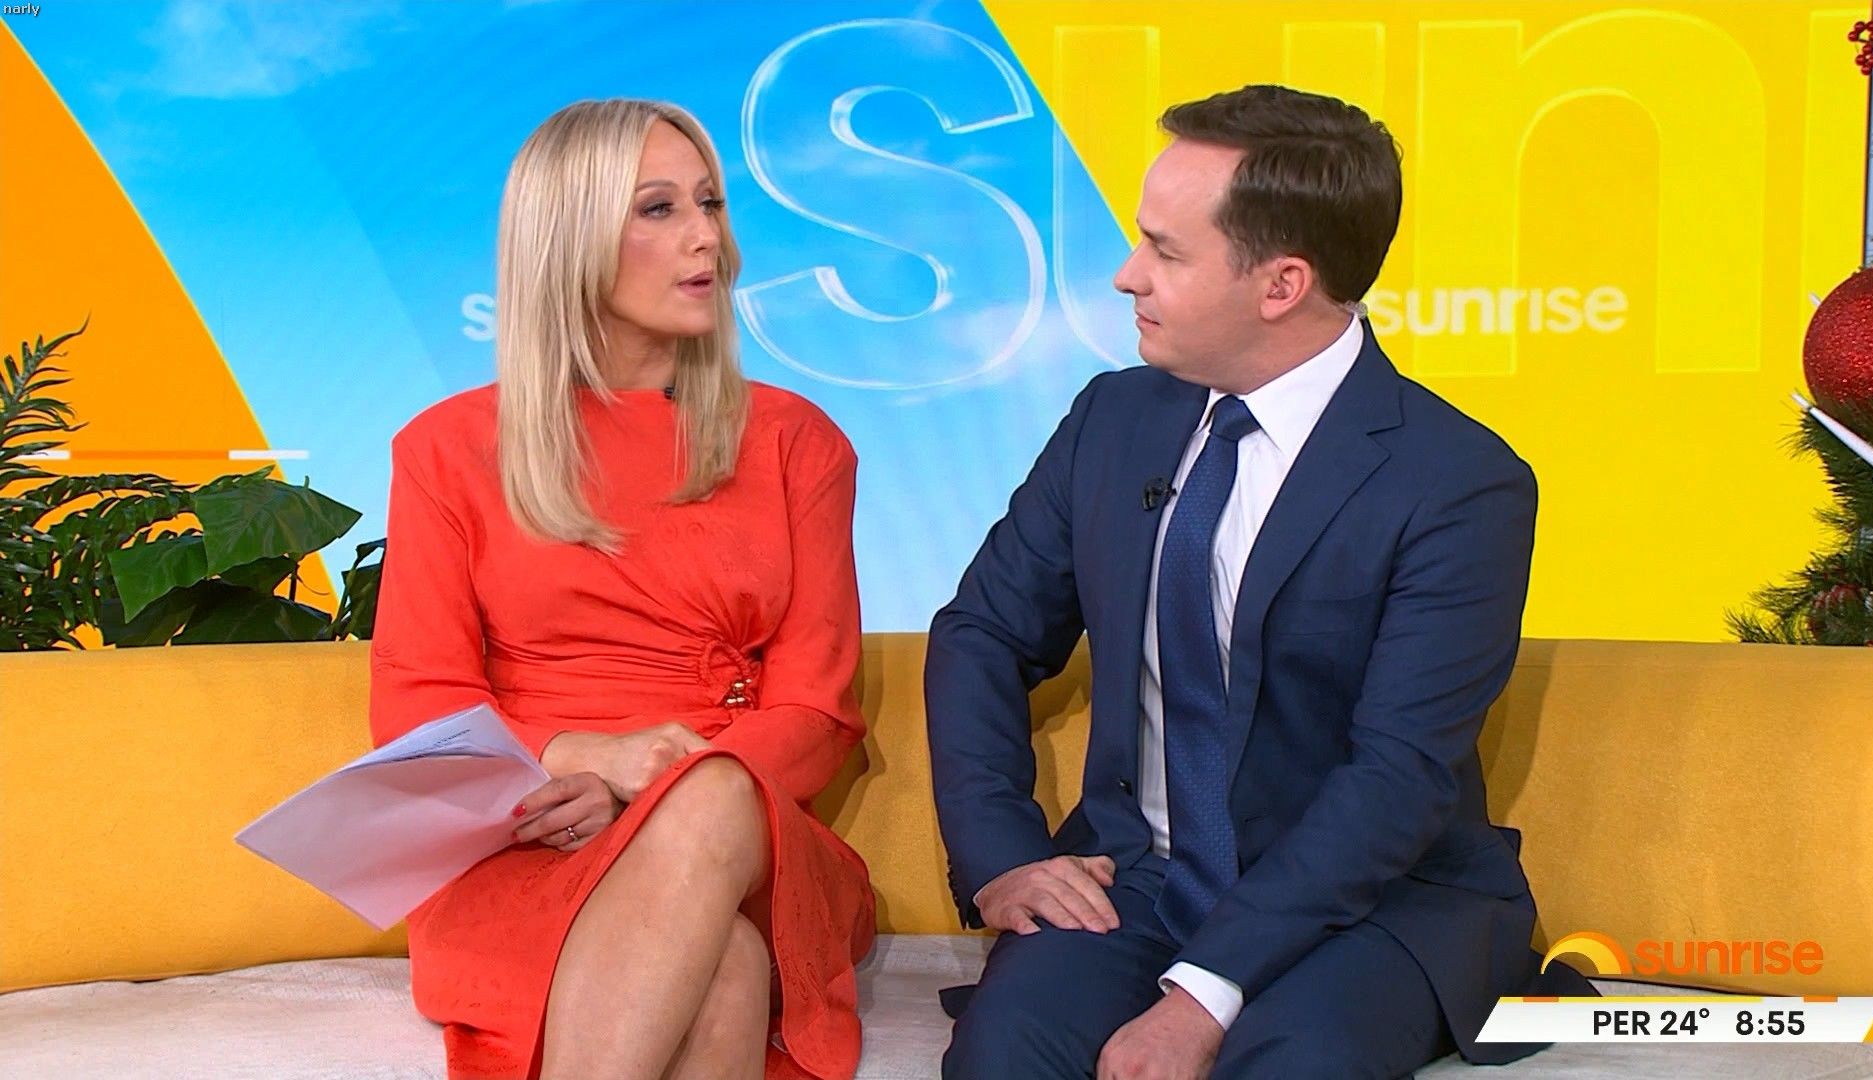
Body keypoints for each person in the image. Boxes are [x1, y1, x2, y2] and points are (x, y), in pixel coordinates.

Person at [925, 84, 1593, 1079]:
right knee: (1005, 1053)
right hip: (1138, 879)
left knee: (1288, 1065)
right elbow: (982, 631)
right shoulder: (1113, 421)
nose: (1126, 275)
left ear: (1281, 285)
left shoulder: (1458, 483)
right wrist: (1002, 853)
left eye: (1166, 252)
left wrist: (1202, 998)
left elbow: (1397, 775)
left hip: (1368, 903)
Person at [369, 98, 873, 1080]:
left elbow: (817, 713)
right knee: (723, 970)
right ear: (570, 239)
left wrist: (659, 795)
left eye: (710, 203)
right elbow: (417, 705)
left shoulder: (797, 441)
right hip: (531, 832)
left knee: (710, 801)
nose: (707, 238)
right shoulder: (445, 449)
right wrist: (585, 761)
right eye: (658, 209)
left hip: (746, 825)